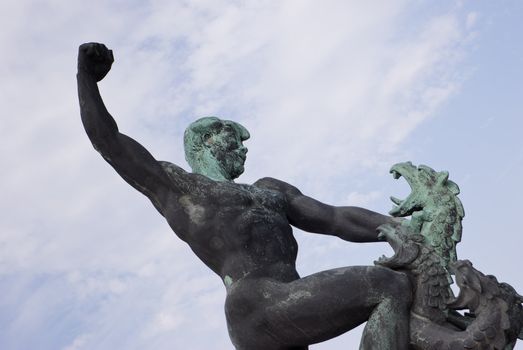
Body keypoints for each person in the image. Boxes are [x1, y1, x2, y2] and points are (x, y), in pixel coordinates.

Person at [77, 42, 411, 350]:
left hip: (292, 302)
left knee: (393, 287)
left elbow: (336, 219)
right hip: (255, 308)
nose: (243, 148)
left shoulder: (270, 189)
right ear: (208, 139)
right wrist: (87, 79)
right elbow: (109, 141)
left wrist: (399, 227)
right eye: (234, 139)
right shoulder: (180, 187)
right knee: (388, 285)